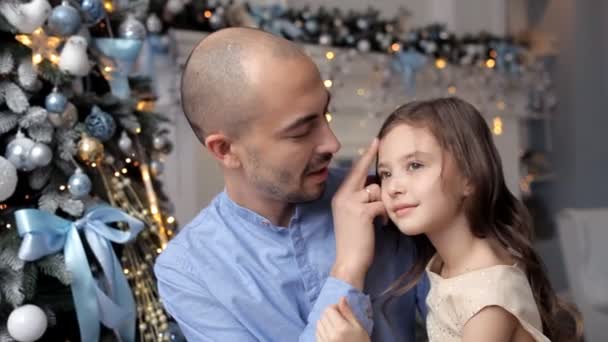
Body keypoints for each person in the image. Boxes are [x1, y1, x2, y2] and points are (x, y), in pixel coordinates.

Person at [154, 27, 428, 341]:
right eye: (300, 132)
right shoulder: (188, 272)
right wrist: (349, 268)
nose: (332, 143)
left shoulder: (384, 197)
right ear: (225, 150)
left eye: (325, 114)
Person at [317, 97, 582, 342]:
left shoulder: (486, 300)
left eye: (415, 166)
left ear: (469, 177)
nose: (393, 187)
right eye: (386, 173)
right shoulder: (448, 262)